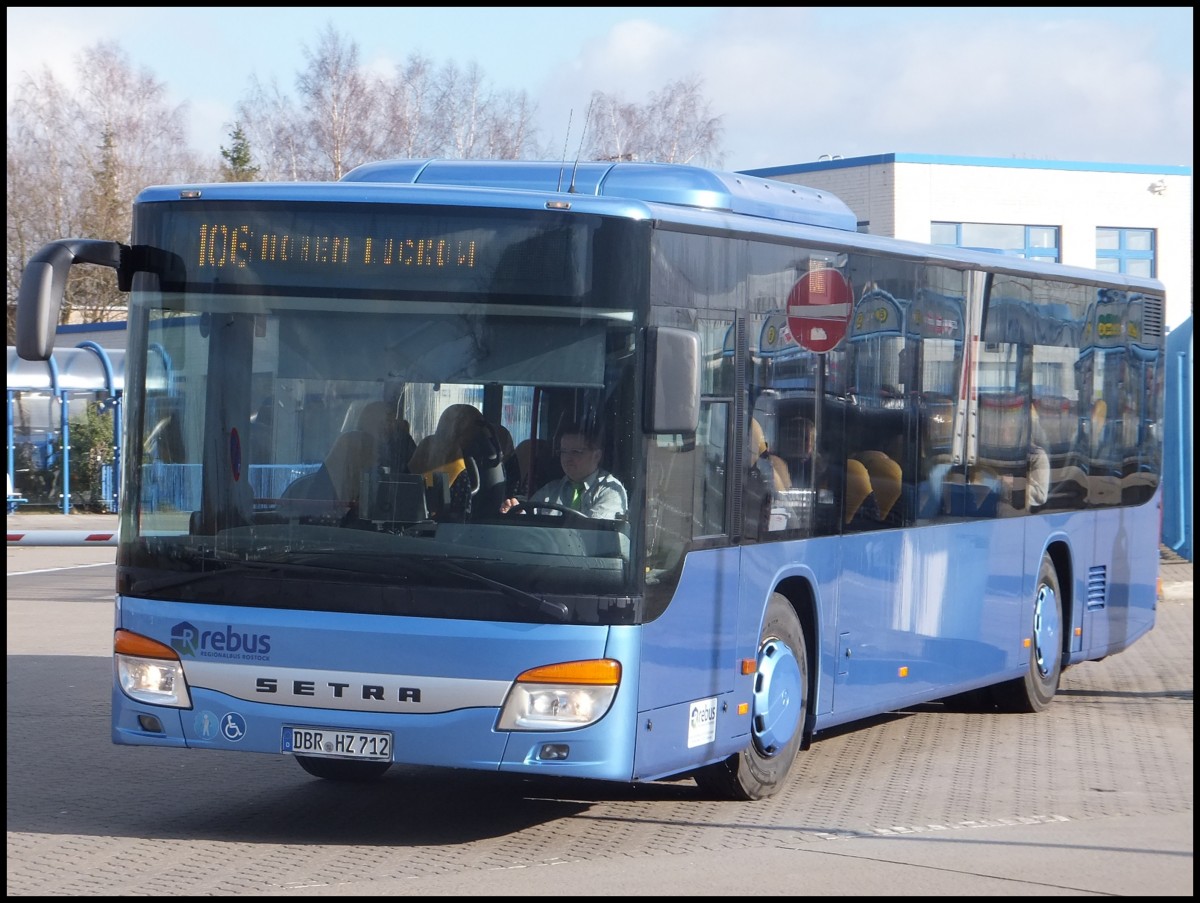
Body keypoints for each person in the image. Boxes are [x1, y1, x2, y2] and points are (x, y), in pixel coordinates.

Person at [501, 423, 627, 518]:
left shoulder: (610, 491)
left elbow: (592, 535)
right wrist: (516, 512)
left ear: (596, 456)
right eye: (563, 452)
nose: (567, 458)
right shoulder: (550, 490)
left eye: (575, 452)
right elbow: (530, 523)